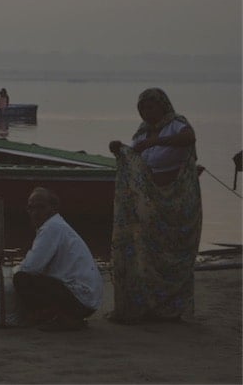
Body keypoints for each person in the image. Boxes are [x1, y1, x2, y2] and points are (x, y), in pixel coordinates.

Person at [107, 88, 202, 323]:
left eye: (151, 107)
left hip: (177, 203)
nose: (147, 112)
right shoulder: (142, 132)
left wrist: (154, 141)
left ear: (163, 106)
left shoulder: (176, 124)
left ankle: (171, 310)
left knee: (173, 254)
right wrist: (120, 150)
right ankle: (147, 306)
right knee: (146, 254)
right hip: (150, 205)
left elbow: (189, 138)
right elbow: (135, 160)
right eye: (143, 109)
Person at [14, 187, 103, 331]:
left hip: (79, 300)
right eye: (31, 208)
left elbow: (30, 268)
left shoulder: (51, 228)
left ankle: (61, 317)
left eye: (41, 207)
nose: (35, 213)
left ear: (53, 208)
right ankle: (60, 316)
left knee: (21, 279)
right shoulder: (57, 225)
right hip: (87, 300)